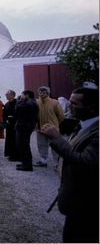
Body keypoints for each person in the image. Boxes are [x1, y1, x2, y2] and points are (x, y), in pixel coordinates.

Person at [39, 87, 98, 243]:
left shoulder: (97, 132)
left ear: (91, 107)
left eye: (74, 104)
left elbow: (84, 162)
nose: (69, 106)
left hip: (88, 204)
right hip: (76, 201)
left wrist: (57, 138)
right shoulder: (83, 124)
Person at [34, 86, 64, 168]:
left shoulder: (54, 102)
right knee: (41, 144)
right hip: (40, 128)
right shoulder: (36, 102)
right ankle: (43, 160)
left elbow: (61, 115)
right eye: (40, 92)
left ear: (48, 93)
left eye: (44, 92)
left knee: (55, 145)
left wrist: (55, 124)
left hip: (52, 129)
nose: (41, 94)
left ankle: (57, 163)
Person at [14, 90, 39, 171]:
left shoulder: (28, 103)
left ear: (27, 95)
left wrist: (18, 101)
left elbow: (18, 109)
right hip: (26, 126)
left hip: (24, 127)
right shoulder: (32, 102)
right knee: (23, 145)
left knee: (23, 145)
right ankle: (25, 163)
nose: (21, 97)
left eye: (22, 95)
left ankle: (27, 165)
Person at [3, 90, 18, 160]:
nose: (6, 95)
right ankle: (10, 154)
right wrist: (5, 120)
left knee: (15, 140)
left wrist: (13, 118)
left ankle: (15, 155)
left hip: (15, 125)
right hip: (9, 125)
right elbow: (4, 114)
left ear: (12, 95)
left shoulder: (17, 103)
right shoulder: (7, 104)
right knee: (9, 139)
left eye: (7, 94)